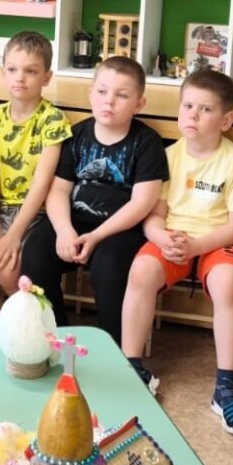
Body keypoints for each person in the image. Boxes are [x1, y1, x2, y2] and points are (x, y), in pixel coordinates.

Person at [121, 70, 233, 433]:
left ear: (226, 120)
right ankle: (132, 366)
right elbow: (154, 215)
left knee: (228, 283)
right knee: (141, 271)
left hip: (218, 240)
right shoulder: (166, 156)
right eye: (188, 106)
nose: (193, 115)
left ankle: (226, 386)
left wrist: (197, 245)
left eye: (205, 109)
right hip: (173, 237)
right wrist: (160, 237)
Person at [20, 56, 166, 340]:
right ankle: (53, 335)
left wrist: (97, 236)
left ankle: (114, 345)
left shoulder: (147, 142)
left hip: (121, 230)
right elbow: (58, 190)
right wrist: (64, 230)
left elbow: (142, 203)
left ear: (139, 104)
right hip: (74, 220)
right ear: (91, 94)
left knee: (109, 265)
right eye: (102, 91)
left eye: (121, 95)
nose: (109, 101)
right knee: (36, 249)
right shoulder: (77, 135)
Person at [0, 32, 71, 319]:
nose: (20, 78)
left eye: (31, 71)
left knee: (7, 270)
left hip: (33, 214)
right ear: (3, 71)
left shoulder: (52, 120)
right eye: (12, 69)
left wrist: (13, 235)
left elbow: (42, 183)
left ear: (46, 77)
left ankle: (26, 318)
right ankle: (0, 311)